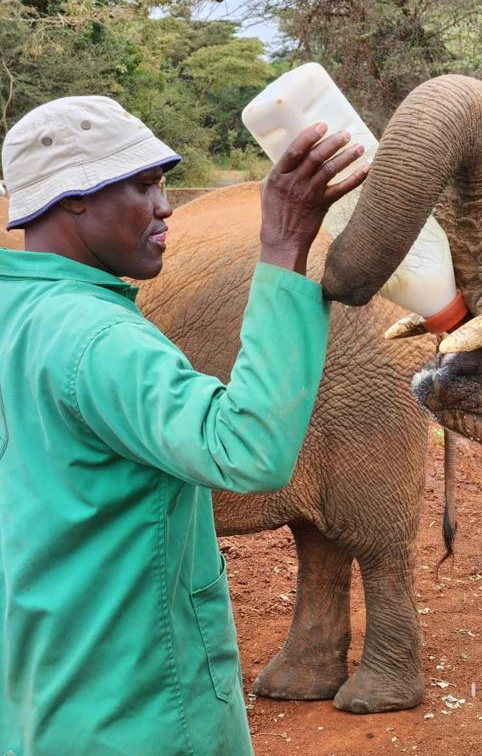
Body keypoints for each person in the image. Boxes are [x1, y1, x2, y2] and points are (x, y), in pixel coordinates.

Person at [0, 95, 367, 755]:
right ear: (73, 197)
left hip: (37, 688)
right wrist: (284, 244)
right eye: (142, 185)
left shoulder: (15, 312)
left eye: (163, 183)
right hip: (138, 707)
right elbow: (247, 449)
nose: (165, 206)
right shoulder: (100, 336)